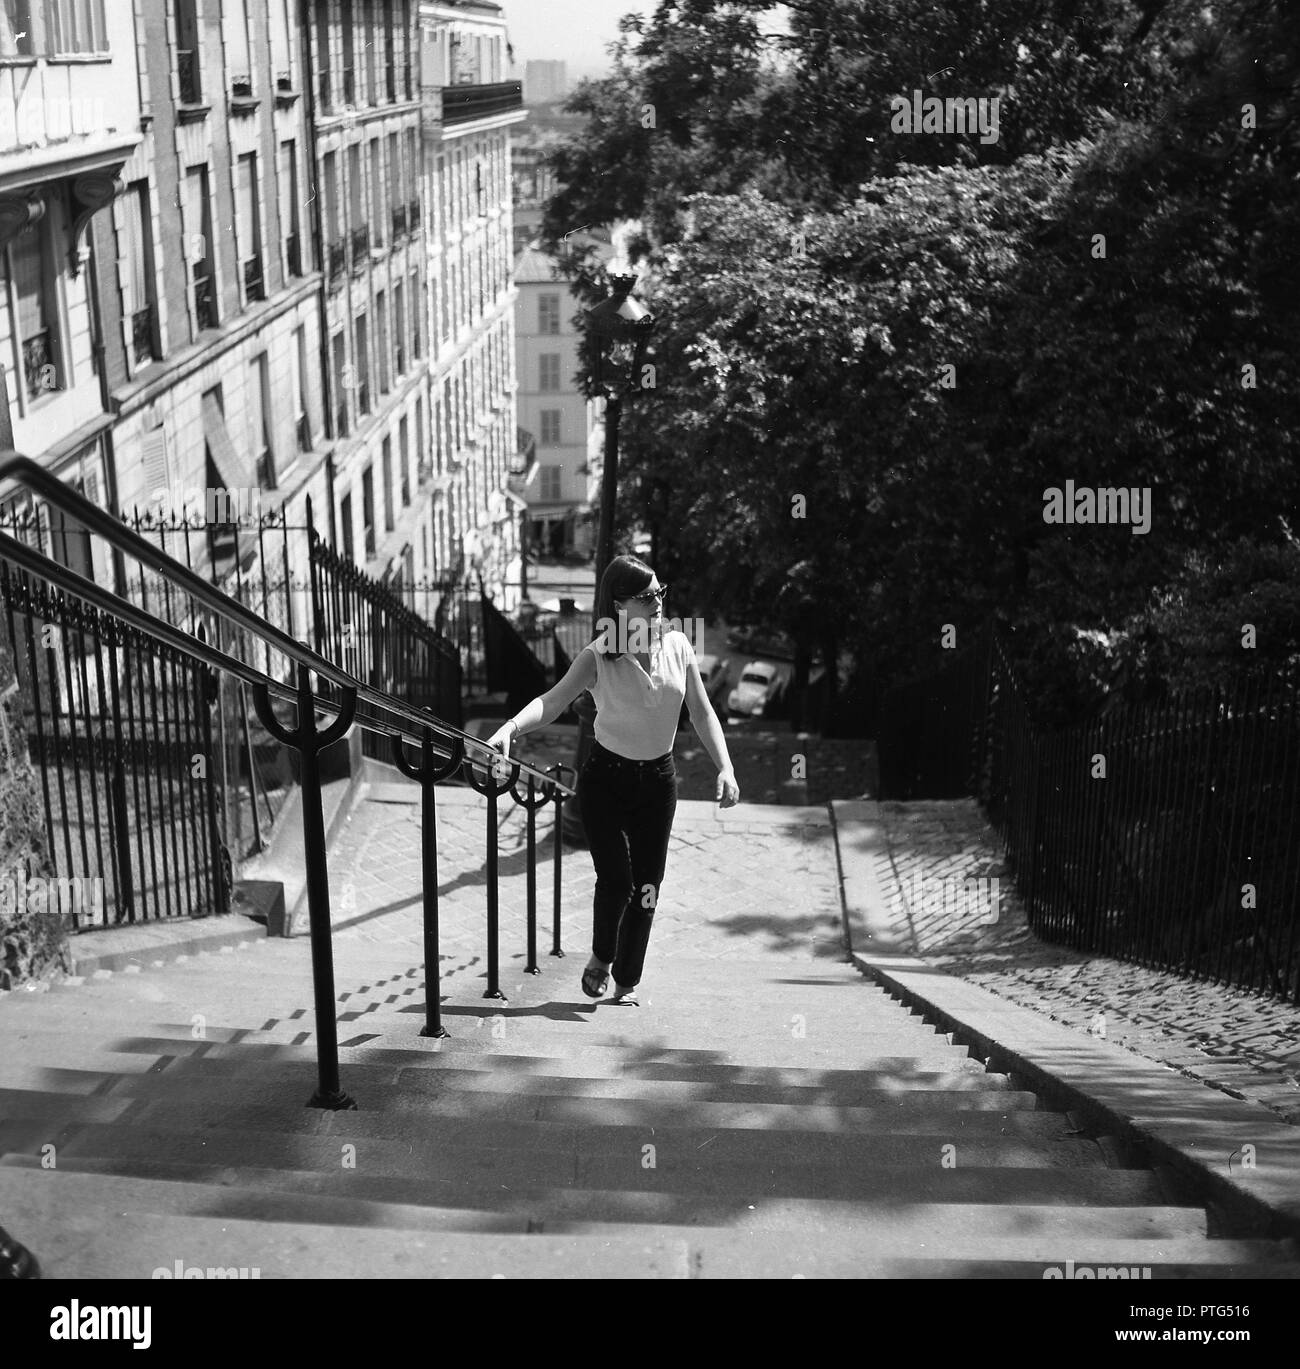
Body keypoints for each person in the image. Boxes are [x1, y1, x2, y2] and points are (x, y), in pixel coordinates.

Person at [486, 554, 740, 1005]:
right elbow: (554, 700)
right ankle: (602, 957)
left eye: (660, 592)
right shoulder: (598, 656)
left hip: (658, 781)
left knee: (647, 886)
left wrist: (725, 766)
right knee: (617, 880)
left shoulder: (679, 646)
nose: (658, 602)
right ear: (619, 606)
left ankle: (627, 981)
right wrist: (510, 728)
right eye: (646, 597)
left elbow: (701, 712)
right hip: (605, 779)